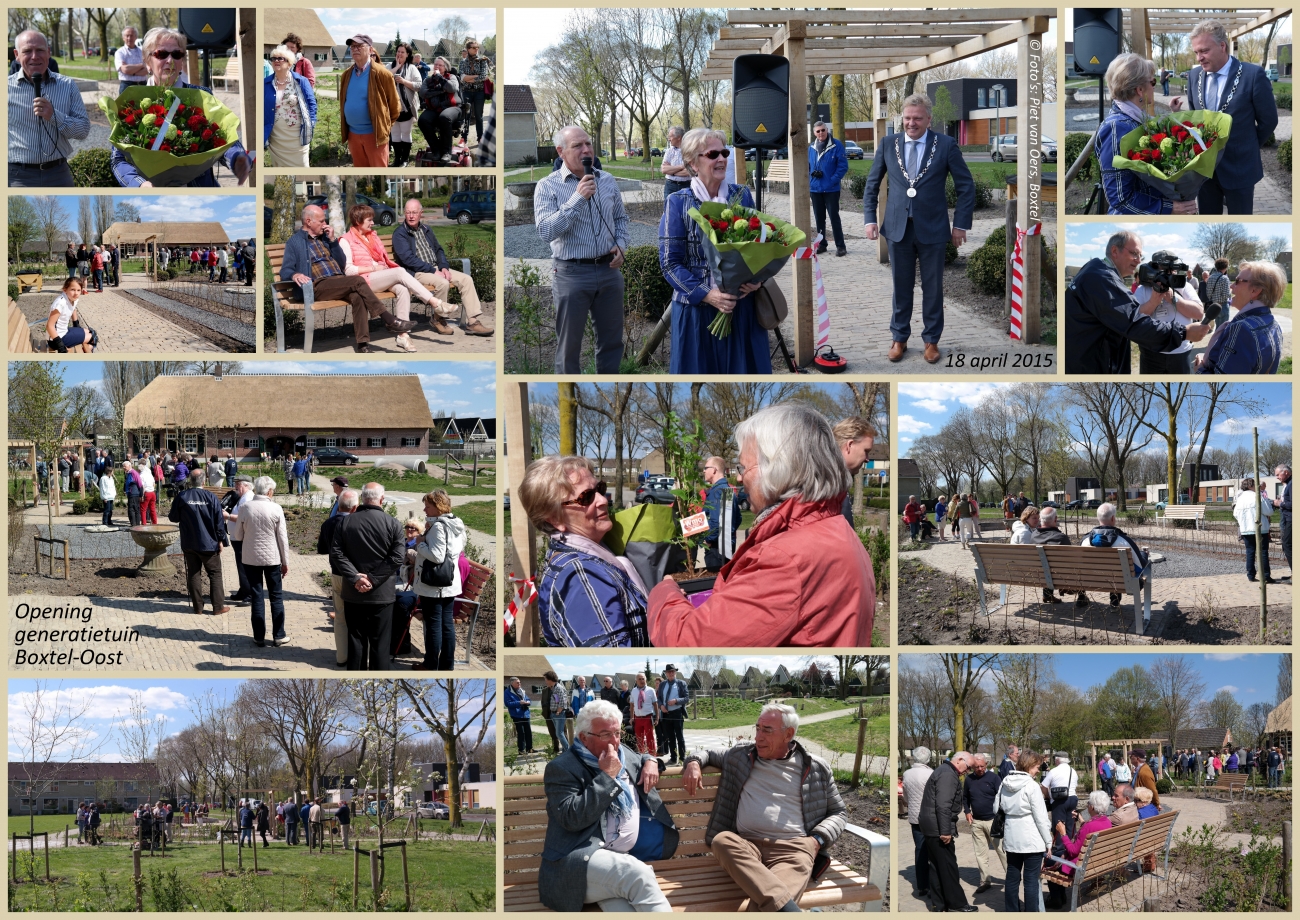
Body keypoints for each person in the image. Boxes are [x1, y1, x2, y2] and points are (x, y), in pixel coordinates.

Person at [649, 405, 875, 646]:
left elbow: (688, 640)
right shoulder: (836, 527)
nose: (739, 477)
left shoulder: (785, 559)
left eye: (743, 467)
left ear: (778, 469)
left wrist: (664, 590)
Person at [682, 702, 846, 913]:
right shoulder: (740, 756)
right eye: (758, 728)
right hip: (746, 848)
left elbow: (838, 812)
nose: (758, 737)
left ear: (788, 734)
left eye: (767, 730)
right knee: (722, 840)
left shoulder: (816, 767)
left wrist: (817, 841)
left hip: (792, 851)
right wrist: (694, 763)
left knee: (767, 906)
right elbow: (706, 752)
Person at [863, 93, 974, 365]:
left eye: (917, 118)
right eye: (907, 118)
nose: (911, 123)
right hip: (898, 230)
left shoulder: (945, 145)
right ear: (902, 118)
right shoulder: (888, 144)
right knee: (901, 288)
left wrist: (960, 225)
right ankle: (899, 338)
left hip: (933, 230)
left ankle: (931, 341)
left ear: (928, 119)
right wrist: (869, 219)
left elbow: (966, 186)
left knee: (933, 289)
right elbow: (872, 183)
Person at [538, 698, 675, 912]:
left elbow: (640, 756)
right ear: (584, 738)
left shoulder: (622, 754)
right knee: (638, 874)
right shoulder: (562, 768)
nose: (615, 741)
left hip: (615, 865)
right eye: (605, 734)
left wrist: (651, 761)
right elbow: (571, 818)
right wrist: (608, 777)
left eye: (617, 733)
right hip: (578, 863)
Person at [659, 127, 769, 374]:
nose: (721, 159)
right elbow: (670, 264)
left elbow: (761, 247)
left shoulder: (742, 195)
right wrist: (708, 294)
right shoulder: (678, 202)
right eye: (712, 154)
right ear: (692, 163)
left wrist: (758, 280)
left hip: (741, 309)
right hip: (696, 312)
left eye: (724, 153)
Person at [517, 455, 650, 647]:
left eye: (599, 489)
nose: (603, 500)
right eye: (586, 497)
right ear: (555, 518)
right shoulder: (580, 576)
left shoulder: (590, 555)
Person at [535, 125, 630, 373]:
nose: (586, 150)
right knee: (568, 348)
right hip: (571, 274)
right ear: (561, 152)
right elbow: (546, 231)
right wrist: (577, 199)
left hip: (609, 272)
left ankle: (610, 388)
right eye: (577, 145)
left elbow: (621, 219)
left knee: (612, 344)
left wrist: (621, 244)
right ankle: (568, 392)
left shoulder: (607, 180)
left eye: (588, 143)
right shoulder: (547, 186)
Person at [110, 28, 252, 187]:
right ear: (147, 61)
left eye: (176, 54)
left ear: (182, 61)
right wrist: (139, 185)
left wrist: (236, 158)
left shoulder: (201, 96)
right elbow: (118, 160)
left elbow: (223, 139)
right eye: (161, 54)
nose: (170, 60)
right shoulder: (131, 104)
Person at [1171, 18, 1278, 214]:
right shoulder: (1194, 76)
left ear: (1222, 46)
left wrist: (1247, 146)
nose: (1199, 58)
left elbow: (1269, 121)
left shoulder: (1253, 75)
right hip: (1204, 173)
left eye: (1204, 51)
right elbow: (1196, 119)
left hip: (1240, 169)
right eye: (1196, 52)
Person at [1065, 230, 1211, 373]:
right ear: (1114, 251)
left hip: (1088, 358)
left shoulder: (1095, 270)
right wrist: (1183, 332)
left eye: (1140, 255)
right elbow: (1134, 322)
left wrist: (1174, 298)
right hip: (1094, 363)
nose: (1139, 260)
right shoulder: (1103, 279)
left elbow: (1199, 312)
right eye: (1134, 253)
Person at [279, 204, 416, 353]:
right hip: (317, 285)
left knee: (358, 296)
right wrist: (295, 274)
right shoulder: (295, 242)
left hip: (339, 282)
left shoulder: (326, 238)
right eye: (321, 221)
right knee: (358, 280)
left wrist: (333, 241)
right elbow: (285, 270)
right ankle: (389, 320)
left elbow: (342, 263)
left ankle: (363, 345)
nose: (325, 224)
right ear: (308, 221)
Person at [1097, 54, 1195, 215]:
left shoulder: (1137, 118)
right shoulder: (1116, 128)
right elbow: (1120, 197)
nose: (1154, 87)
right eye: (1152, 82)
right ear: (1140, 90)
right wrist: (1170, 207)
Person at [339, 203, 446, 351]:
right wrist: (374, 268)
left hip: (381, 276)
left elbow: (382, 260)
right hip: (364, 281)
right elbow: (349, 270)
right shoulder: (345, 240)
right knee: (399, 272)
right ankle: (434, 302)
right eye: (369, 220)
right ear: (358, 221)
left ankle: (403, 336)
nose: (373, 223)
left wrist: (381, 268)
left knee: (403, 289)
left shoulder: (372, 236)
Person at [391, 199, 494, 336]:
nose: (411, 216)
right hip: (417, 272)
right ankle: (438, 319)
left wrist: (444, 267)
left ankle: (473, 322)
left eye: (414, 212)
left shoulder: (426, 229)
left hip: (435, 268)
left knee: (466, 279)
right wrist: (433, 271)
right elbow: (408, 259)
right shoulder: (400, 234)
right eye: (408, 212)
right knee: (443, 283)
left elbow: (439, 250)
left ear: (421, 213)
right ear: (404, 213)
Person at [330, 482, 405, 669]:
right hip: (381, 594)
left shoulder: (345, 522)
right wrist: (372, 579)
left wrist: (357, 578)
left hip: (353, 593)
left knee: (356, 642)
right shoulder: (393, 523)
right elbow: (397, 557)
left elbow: (337, 554)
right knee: (380, 645)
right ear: (382, 499)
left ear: (362, 498)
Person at [8, 30, 89, 187]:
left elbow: (83, 130)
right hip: (18, 177)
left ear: (48, 52)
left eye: (40, 50)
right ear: (17, 55)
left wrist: (54, 116)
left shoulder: (68, 85)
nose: (34, 56)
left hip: (59, 174)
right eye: (27, 51)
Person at [409, 489, 466, 670]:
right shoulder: (456, 523)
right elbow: (458, 548)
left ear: (438, 507)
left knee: (434, 625)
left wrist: (420, 543)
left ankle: (430, 664)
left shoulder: (439, 527)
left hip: (434, 585)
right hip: (449, 582)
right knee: (446, 625)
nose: (424, 510)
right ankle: (446, 665)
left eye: (427, 506)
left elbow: (437, 556)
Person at [1196, 260, 1285, 374]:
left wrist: (1199, 370)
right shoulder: (1275, 324)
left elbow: (1223, 381)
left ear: (1255, 290)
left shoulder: (1242, 328)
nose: (1231, 286)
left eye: (1238, 281)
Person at [232, 476, 290, 648]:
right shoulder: (276, 508)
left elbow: (238, 535)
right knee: (276, 597)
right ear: (270, 491)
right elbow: (282, 538)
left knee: (257, 596)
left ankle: (258, 637)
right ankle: (279, 635)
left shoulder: (245, 507)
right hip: (272, 558)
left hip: (250, 559)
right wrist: (285, 562)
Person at [919, 751, 976, 912]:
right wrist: (945, 831)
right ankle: (956, 904)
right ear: (959, 760)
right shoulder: (948, 775)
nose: (968, 771)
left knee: (937, 867)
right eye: (968, 767)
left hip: (932, 826)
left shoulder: (944, 771)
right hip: (938, 829)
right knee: (948, 867)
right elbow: (943, 805)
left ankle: (939, 904)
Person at [1133, 251, 1206, 374]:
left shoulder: (1184, 286)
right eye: (1164, 269)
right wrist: (1153, 302)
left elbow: (1199, 313)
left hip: (1180, 352)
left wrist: (1174, 299)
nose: (1169, 273)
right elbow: (1135, 318)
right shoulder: (1143, 289)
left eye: (1172, 270)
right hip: (1151, 353)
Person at [996, 750, 1050, 912]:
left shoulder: (1004, 782)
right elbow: (1041, 818)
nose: (1038, 770)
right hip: (1032, 839)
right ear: (1029, 765)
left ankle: (1012, 911)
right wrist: (1048, 842)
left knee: (1012, 878)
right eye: (1037, 767)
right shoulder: (1032, 786)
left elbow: (995, 808)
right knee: (1031, 880)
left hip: (1012, 837)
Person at [169, 469, 228, 615]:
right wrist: (221, 540)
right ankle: (218, 607)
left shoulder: (182, 496)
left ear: (190, 481)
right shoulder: (211, 497)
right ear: (204, 481)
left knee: (194, 573)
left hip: (189, 542)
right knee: (214, 573)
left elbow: (173, 517)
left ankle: (198, 607)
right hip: (209, 543)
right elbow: (219, 521)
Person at [339, 35, 400, 167]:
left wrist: (384, 128)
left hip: (375, 136)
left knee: (379, 174)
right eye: (352, 46)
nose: (355, 49)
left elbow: (395, 106)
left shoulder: (383, 74)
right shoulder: (346, 75)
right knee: (361, 174)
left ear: (370, 49)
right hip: (353, 135)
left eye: (359, 46)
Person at [1047, 790, 1114, 908]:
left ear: (1092, 807)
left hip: (1079, 866)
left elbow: (1073, 851)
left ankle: (1056, 898)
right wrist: (1080, 819)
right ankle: (1060, 896)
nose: (1087, 805)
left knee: (1049, 860)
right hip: (1094, 862)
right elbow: (1090, 829)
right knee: (1058, 854)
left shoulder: (1089, 826)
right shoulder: (1107, 822)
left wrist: (1063, 833)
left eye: (1088, 803)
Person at [1078, 502, 1150, 608]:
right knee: (1118, 572)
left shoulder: (1085, 541)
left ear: (1098, 518)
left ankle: (1081, 598)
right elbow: (1141, 565)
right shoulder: (1124, 541)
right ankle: (1114, 603)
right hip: (1122, 583)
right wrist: (1144, 554)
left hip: (1089, 581)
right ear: (1113, 518)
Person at [264, 44, 317, 169]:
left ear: (289, 63)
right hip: (276, 138)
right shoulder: (265, 83)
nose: (276, 61)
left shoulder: (301, 81)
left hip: (297, 137)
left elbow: (312, 104)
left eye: (280, 58)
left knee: (302, 167)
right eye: (274, 58)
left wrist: (311, 124)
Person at [963, 753, 1006, 895]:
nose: (980, 769)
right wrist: (967, 811)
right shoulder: (969, 779)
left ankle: (1012, 877)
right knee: (980, 854)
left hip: (993, 821)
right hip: (976, 822)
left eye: (982, 766)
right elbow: (965, 798)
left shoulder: (994, 778)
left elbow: (1002, 797)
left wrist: (1001, 817)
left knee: (1002, 851)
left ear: (986, 764)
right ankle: (985, 881)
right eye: (976, 767)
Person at [808, 120, 849, 257]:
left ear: (827, 130)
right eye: (818, 131)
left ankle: (840, 246)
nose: (821, 133)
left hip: (831, 189)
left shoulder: (837, 145)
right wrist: (810, 179)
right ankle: (822, 244)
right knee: (819, 218)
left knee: (834, 218)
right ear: (814, 133)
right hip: (815, 189)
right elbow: (807, 166)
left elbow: (843, 166)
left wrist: (832, 180)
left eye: (823, 130)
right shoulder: (811, 148)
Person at [903, 747, 935, 901]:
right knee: (932, 850)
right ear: (928, 759)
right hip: (930, 817)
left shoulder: (907, 774)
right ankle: (933, 884)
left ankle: (922, 885)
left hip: (915, 817)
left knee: (920, 850)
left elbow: (905, 797)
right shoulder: (931, 773)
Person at [417, 56, 463, 163]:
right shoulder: (428, 80)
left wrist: (440, 78)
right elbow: (423, 93)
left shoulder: (451, 77)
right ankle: (436, 150)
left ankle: (447, 152)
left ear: (445, 67)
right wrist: (441, 91)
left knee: (444, 117)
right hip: (434, 108)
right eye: (435, 64)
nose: (437, 67)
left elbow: (452, 88)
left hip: (453, 107)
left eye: (440, 65)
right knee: (422, 120)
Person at [1233, 476, 1277, 583]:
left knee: (1250, 552)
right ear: (1250, 486)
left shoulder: (1240, 498)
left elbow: (1235, 513)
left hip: (1246, 529)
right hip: (1260, 528)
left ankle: (1251, 575)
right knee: (1263, 552)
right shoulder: (1257, 496)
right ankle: (1266, 576)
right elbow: (1268, 511)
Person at [701, 456, 739, 571]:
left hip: (716, 549)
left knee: (715, 579)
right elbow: (738, 518)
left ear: (714, 470)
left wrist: (708, 540)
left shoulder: (716, 492)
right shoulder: (727, 490)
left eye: (706, 468)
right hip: (727, 546)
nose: (704, 471)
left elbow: (717, 522)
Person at [388, 42, 421, 166]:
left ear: (407, 54)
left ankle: (405, 159)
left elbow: (419, 85)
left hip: (406, 107)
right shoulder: (389, 66)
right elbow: (382, 79)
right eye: (398, 51)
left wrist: (404, 81)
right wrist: (396, 67)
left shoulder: (412, 68)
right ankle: (397, 159)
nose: (399, 54)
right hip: (391, 108)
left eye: (402, 52)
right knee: (395, 134)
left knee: (406, 133)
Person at [46, 278, 94, 353]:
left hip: (64, 331)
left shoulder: (72, 298)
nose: (76, 293)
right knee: (93, 337)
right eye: (72, 290)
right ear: (65, 290)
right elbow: (49, 326)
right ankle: (83, 354)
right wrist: (60, 345)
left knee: (90, 331)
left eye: (78, 290)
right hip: (56, 339)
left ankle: (83, 351)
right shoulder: (60, 303)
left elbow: (73, 309)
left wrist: (76, 324)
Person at [458, 38, 490, 144]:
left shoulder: (482, 61)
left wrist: (468, 78)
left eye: (477, 47)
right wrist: (476, 77)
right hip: (466, 91)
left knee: (478, 116)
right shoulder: (463, 62)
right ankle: (464, 138)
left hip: (479, 92)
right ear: (468, 49)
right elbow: (461, 77)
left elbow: (484, 76)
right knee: (466, 115)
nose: (476, 49)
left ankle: (480, 137)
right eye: (474, 47)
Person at [656, 665, 688, 766]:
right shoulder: (662, 684)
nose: (671, 673)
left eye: (672, 671)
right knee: (670, 737)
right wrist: (661, 706)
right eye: (669, 672)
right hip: (666, 714)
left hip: (677, 713)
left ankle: (682, 758)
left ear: (675, 672)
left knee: (679, 737)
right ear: (666, 673)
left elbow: (686, 698)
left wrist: (676, 701)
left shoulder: (681, 683)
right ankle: (673, 758)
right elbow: (659, 698)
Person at [628, 673, 660, 756]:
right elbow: (631, 704)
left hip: (648, 717)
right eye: (640, 679)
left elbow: (655, 704)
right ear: (636, 681)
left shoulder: (651, 690)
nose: (642, 681)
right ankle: (641, 756)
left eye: (643, 679)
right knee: (639, 739)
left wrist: (657, 717)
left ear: (646, 680)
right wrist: (631, 717)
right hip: (637, 718)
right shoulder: (634, 691)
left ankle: (652, 756)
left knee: (650, 738)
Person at [659, 125, 691, 198]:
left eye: (670, 136)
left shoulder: (690, 151)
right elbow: (664, 169)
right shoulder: (669, 151)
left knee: (686, 205)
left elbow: (689, 171)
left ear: (679, 137)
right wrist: (682, 166)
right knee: (669, 205)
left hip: (686, 186)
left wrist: (671, 171)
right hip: (670, 186)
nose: (669, 139)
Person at [506, 677, 535, 754]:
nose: (519, 684)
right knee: (521, 732)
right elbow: (508, 704)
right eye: (517, 683)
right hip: (517, 715)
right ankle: (521, 750)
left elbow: (528, 699)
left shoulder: (522, 690)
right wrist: (519, 703)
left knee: (528, 732)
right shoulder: (507, 692)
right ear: (512, 683)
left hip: (525, 714)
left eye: (520, 682)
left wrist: (528, 702)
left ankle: (529, 748)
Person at [115, 26, 147, 94]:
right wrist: (141, 65)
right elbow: (125, 69)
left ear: (136, 37)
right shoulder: (120, 52)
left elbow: (147, 70)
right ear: (123, 38)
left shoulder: (142, 51)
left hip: (143, 85)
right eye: (127, 36)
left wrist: (131, 71)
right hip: (127, 86)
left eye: (131, 35)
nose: (129, 38)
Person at [545, 671, 570, 754]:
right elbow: (557, 700)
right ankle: (565, 750)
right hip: (554, 713)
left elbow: (562, 702)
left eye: (546, 679)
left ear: (550, 679)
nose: (545, 681)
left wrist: (558, 712)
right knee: (558, 733)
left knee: (559, 734)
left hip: (558, 714)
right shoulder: (554, 688)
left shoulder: (559, 688)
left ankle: (568, 751)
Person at [1275, 464, 1291, 574]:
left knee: (1287, 544)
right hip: (1287, 518)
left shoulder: (1292, 484)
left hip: (1291, 519)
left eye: (1277, 475)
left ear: (1285, 472)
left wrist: (1280, 503)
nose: (1277, 477)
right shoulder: (1288, 484)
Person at [122, 460, 144, 526]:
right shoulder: (128, 473)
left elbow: (140, 484)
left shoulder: (133, 473)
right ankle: (136, 525)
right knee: (134, 509)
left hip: (134, 494)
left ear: (129, 466)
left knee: (132, 509)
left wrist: (141, 495)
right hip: (131, 493)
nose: (123, 468)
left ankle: (134, 525)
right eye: (123, 466)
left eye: (125, 466)